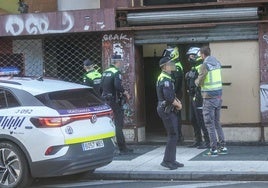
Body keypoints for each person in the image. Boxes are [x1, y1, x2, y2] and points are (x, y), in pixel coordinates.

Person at [195, 46, 227, 156]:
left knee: (209, 124)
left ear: (202, 54)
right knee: (217, 123)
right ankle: (223, 147)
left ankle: (213, 149)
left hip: (209, 98)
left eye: (200, 54)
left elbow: (200, 81)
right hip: (218, 97)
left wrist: (195, 81)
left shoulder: (204, 65)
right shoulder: (217, 63)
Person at [100, 54, 133, 155]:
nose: (122, 63)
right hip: (114, 102)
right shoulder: (116, 72)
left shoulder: (105, 72)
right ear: (118, 62)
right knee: (118, 125)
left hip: (105, 101)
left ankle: (106, 147)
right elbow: (117, 86)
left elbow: (100, 88)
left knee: (107, 124)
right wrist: (125, 92)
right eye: (121, 61)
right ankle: (122, 148)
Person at [156, 56, 184, 170]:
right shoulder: (165, 79)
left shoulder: (166, 77)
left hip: (167, 108)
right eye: (170, 63)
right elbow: (168, 97)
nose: (172, 64)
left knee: (174, 135)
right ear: (165, 66)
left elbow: (172, 95)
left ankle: (172, 159)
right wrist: (178, 105)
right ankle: (167, 161)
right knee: (173, 135)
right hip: (166, 109)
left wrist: (177, 101)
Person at [185, 47, 210, 149]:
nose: (189, 58)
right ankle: (198, 140)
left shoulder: (201, 67)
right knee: (193, 119)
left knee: (201, 120)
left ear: (197, 56)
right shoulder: (194, 68)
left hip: (199, 96)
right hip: (192, 96)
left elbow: (201, 82)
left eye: (191, 56)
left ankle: (208, 141)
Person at [162, 47, 184, 143]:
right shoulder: (174, 64)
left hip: (176, 94)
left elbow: (176, 82)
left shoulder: (176, 66)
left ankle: (178, 136)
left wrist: (174, 94)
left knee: (175, 115)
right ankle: (176, 135)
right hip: (173, 93)